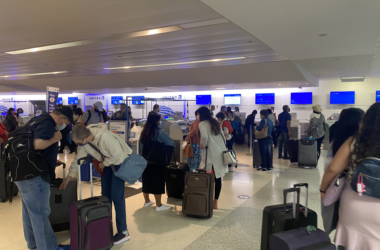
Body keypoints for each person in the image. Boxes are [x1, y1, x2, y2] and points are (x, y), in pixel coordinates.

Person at [60, 123, 132, 245]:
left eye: (78, 142)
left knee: (117, 197)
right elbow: (78, 158)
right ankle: (105, 225)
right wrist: (69, 177)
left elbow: (118, 155)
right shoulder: (85, 142)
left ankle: (124, 231)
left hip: (119, 163)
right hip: (107, 164)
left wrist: (105, 163)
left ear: (84, 139)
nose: (78, 144)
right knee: (105, 196)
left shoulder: (105, 136)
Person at [320, 102, 380, 250]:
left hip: (355, 201)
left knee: (351, 242)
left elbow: (333, 169)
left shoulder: (356, 141)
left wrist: (323, 190)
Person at [15, 106, 73, 250]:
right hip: (35, 176)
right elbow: (37, 144)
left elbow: (32, 147)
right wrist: (55, 138)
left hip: (22, 172)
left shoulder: (36, 119)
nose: (64, 125)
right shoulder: (48, 122)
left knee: (30, 212)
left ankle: (34, 245)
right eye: (66, 122)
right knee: (40, 213)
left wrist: (52, 160)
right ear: (61, 118)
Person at [139, 113, 175, 211]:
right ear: (157, 121)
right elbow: (171, 143)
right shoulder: (160, 132)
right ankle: (158, 205)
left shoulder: (144, 131)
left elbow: (140, 147)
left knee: (146, 181)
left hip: (146, 161)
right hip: (158, 162)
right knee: (158, 182)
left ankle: (147, 201)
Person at [197, 107, 228, 209]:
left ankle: (208, 199)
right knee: (218, 178)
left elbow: (204, 137)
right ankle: (215, 202)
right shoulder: (215, 122)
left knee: (208, 177)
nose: (197, 117)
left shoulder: (202, 124)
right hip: (220, 152)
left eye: (198, 114)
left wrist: (202, 145)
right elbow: (223, 137)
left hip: (211, 154)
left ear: (201, 115)